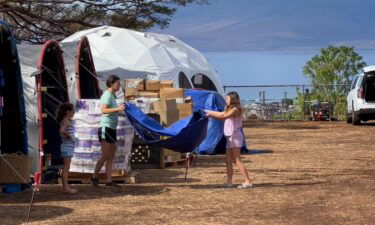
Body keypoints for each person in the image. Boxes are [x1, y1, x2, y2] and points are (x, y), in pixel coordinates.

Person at [205, 91, 253, 189]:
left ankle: (247, 181)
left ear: (233, 100)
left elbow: (223, 116)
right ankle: (229, 181)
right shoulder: (229, 108)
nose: (225, 100)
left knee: (236, 160)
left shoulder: (235, 109)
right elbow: (221, 113)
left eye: (227, 99)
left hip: (235, 136)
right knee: (227, 160)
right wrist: (208, 111)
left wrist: (210, 114)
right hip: (229, 137)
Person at [91, 75, 124, 187]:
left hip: (112, 128)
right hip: (106, 127)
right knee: (105, 154)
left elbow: (112, 111)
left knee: (111, 155)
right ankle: (94, 176)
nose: (119, 86)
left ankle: (109, 180)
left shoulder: (112, 96)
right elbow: (103, 110)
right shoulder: (107, 95)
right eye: (118, 83)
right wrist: (118, 109)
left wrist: (120, 111)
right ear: (112, 84)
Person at [57, 103, 77, 194]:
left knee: (66, 167)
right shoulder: (66, 121)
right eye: (73, 110)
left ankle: (65, 186)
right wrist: (68, 135)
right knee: (66, 168)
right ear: (67, 112)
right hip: (67, 147)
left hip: (68, 147)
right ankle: (65, 187)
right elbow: (62, 130)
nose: (74, 112)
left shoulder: (67, 120)